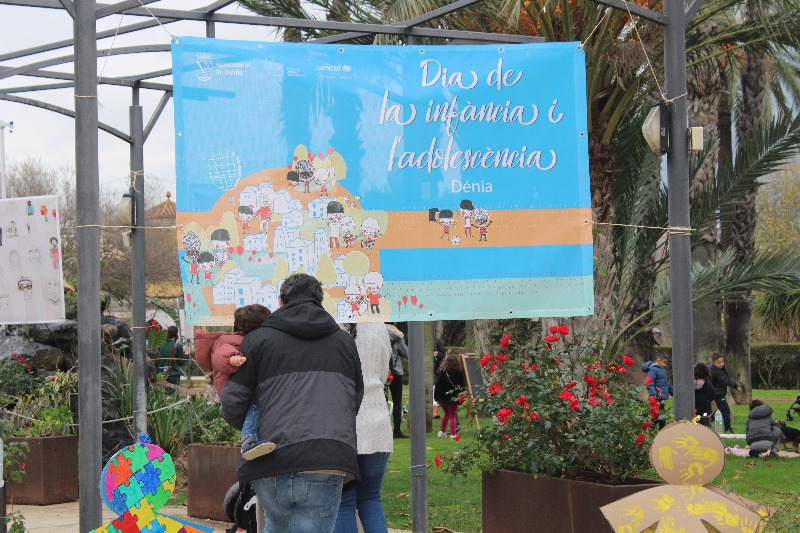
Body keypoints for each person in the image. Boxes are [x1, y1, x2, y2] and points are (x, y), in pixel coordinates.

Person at [221, 273, 363, 533]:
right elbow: (353, 400)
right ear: (321, 301)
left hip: (271, 459)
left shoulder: (257, 341)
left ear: (281, 301)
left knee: (275, 527)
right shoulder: (344, 342)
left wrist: (254, 429)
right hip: (327, 458)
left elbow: (232, 403)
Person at [194, 304, 276, 460]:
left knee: (255, 407)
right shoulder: (230, 340)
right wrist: (232, 358)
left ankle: (255, 439)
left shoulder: (246, 340)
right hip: (233, 388)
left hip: (238, 387)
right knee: (255, 404)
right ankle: (249, 440)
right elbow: (221, 355)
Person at [334, 322, 393, 533]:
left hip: (342, 422)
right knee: (371, 497)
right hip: (377, 421)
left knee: (343, 501)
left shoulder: (328, 325)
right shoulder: (378, 326)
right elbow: (384, 372)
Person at [434, 352, 466, 438]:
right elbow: (461, 386)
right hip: (453, 398)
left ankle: (441, 431)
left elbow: (437, 386)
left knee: (446, 414)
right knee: (452, 415)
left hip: (442, 398)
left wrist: (436, 398)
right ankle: (453, 434)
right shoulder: (459, 373)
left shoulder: (443, 373)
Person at [709, 352, 742, 433]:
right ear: (713, 362)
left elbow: (727, 378)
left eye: (722, 362)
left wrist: (735, 386)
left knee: (721, 410)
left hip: (718, 393)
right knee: (725, 411)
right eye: (719, 363)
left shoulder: (720, 369)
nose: (721, 364)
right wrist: (735, 386)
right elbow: (725, 381)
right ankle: (727, 428)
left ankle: (706, 421)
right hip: (718, 394)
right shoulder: (715, 371)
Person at [386, 324, 408, 439]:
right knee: (397, 401)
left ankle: (383, 431)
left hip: (381, 372)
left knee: (382, 402)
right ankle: (397, 430)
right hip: (396, 372)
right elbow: (406, 353)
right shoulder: (397, 336)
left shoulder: (376, 333)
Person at [642, 354, 673, 429]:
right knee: (658, 414)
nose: (665, 365)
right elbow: (649, 382)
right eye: (664, 362)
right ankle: (657, 429)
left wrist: (672, 391)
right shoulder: (653, 370)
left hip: (661, 395)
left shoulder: (661, 370)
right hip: (656, 396)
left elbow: (666, 383)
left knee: (659, 414)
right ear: (659, 360)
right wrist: (653, 394)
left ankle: (653, 428)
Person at [693, 362, 716, 427]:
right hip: (706, 409)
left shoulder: (691, 384)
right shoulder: (708, 383)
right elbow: (713, 393)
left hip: (695, 409)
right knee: (706, 426)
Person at [431, 338, 445, 419]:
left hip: (434, 369)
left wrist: (438, 353)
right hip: (420, 368)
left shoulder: (436, 341)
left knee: (434, 388)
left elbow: (443, 353)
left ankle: (435, 411)